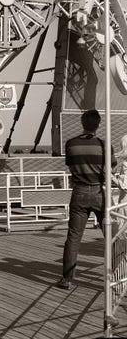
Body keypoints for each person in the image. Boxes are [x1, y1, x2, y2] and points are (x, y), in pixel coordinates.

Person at [57, 109, 117, 289]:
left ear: (82, 124)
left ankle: (66, 279)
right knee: (111, 235)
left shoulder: (71, 144)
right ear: (98, 125)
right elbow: (111, 169)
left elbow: (70, 165)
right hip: (100, 193)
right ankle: (115, 275)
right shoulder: (104, 145)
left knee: (74, 237)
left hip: (79, 192)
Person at [112, 134, 127, 233]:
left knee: (123, 229)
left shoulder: (125, 164)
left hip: (125, 202)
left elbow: (124, 186)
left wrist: (111, 176)